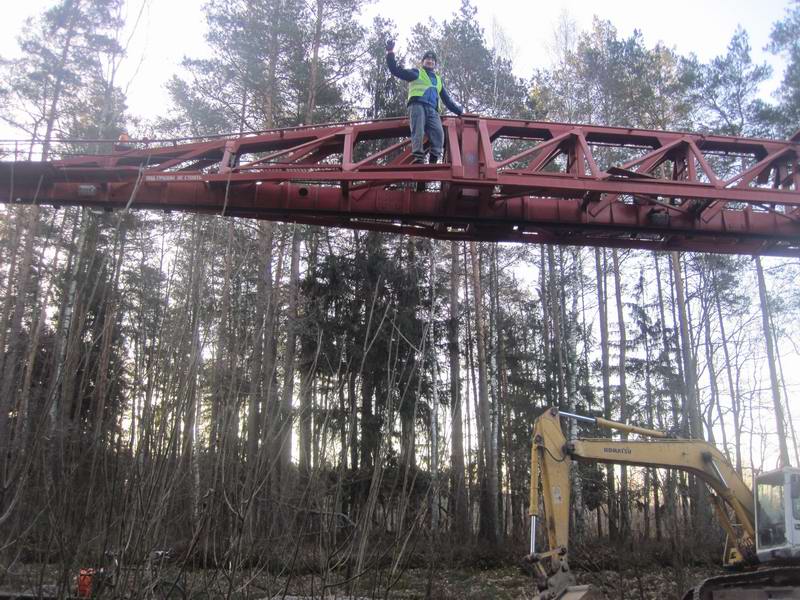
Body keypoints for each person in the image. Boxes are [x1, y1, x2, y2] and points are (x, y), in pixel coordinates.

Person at [385, 40, 464, 164]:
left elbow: (447, 100)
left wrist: (460, 112)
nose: (430, 61)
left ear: (435, 64)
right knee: (418, 131)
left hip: (432, 110)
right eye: (427, 59)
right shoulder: (417, 73)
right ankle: (418, 159)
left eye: (432, 60)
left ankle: (433, 160)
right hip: (417, 105)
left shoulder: (438, 80)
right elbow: (396, 70)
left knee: (439, 134)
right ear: (423, 62)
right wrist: (390, 53)